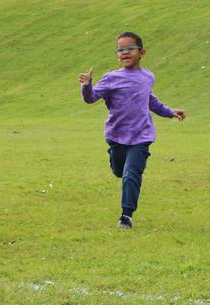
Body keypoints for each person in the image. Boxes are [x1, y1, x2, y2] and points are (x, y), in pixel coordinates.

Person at [78, 32, 186, 229]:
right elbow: (91, 98)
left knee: (131, 174)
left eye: (129, 48)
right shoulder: (111, 78)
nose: (124, 52)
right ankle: (116, 160)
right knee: (120, 171)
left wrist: (170, 112)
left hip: (141, 136)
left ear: (141, 52)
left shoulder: (148, 77)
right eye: (120, 49)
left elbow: (150, 100)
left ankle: (126, 216)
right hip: (117, 135)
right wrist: (86, 86)